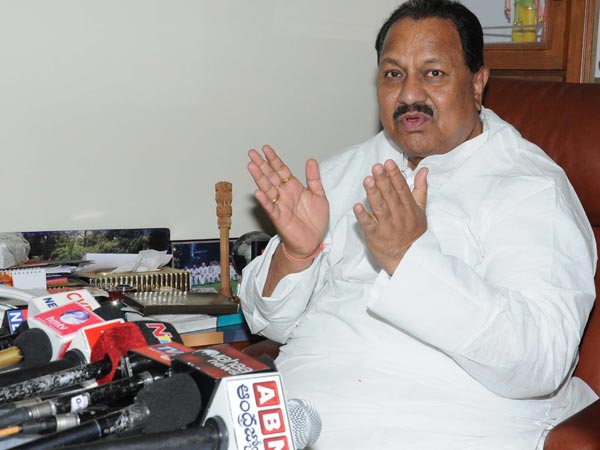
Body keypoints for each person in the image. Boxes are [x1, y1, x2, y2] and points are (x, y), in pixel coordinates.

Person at [239, 1, 598, 448]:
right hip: (293, 423)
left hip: (440, 429)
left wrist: (409, 258)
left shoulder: (530, 189)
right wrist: (296, 255)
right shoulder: (345, 170)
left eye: (433, 73)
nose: (410, 94)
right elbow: (267, 322)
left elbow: (539, 361)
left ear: (477, 84)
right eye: (394, 74)